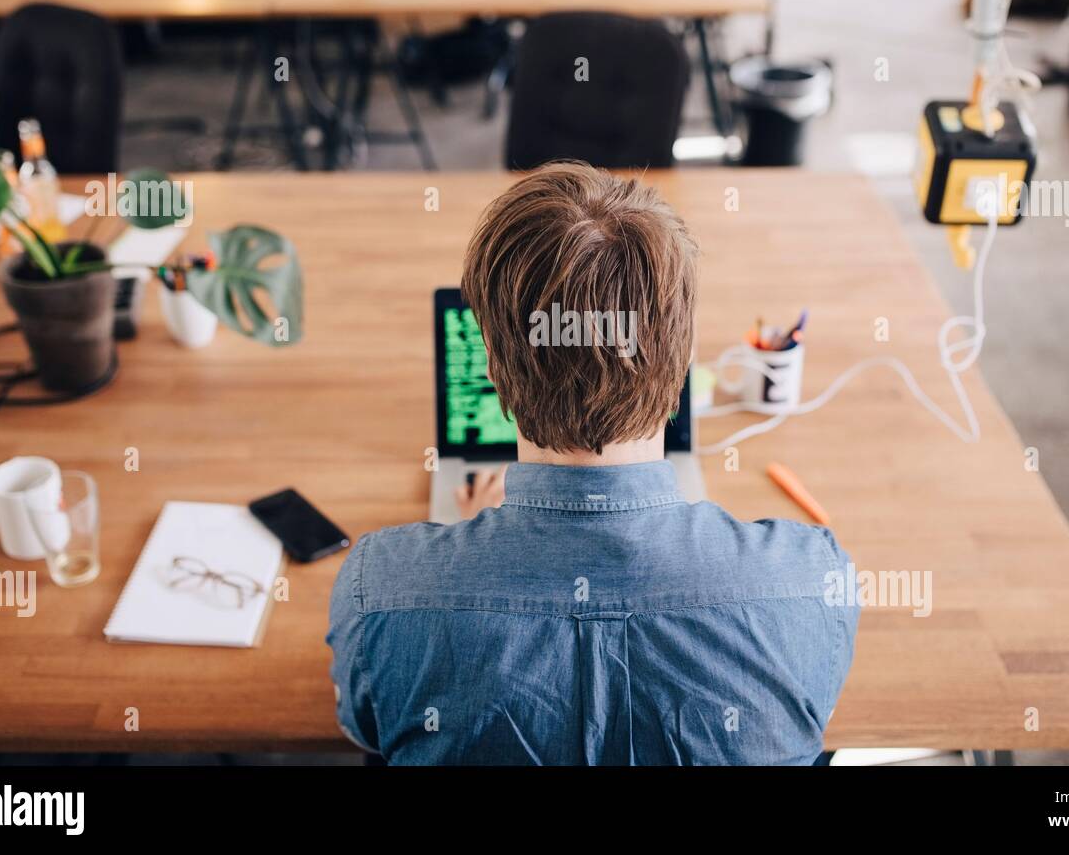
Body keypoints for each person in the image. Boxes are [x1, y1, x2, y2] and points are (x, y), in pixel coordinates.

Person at [327, 162, 859, 764]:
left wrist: (461, 548)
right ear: (680, 355)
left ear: (495, 372)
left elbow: (364, 729)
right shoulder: (813, 582)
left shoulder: (383, 589)